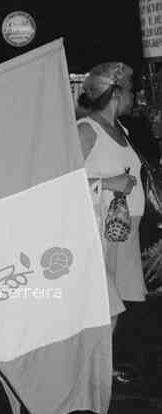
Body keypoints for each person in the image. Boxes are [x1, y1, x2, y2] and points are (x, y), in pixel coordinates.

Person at [77, 62, 146, 382]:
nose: (136, 96)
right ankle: (90, 374)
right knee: (107, 304)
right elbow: (60, 182)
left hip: (122, 230)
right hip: (98, 230)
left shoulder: (122, 130)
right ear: (116, 92)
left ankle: (98, 368)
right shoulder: (86, 130)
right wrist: (107, 183)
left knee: (112, 303)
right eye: (131, 90)